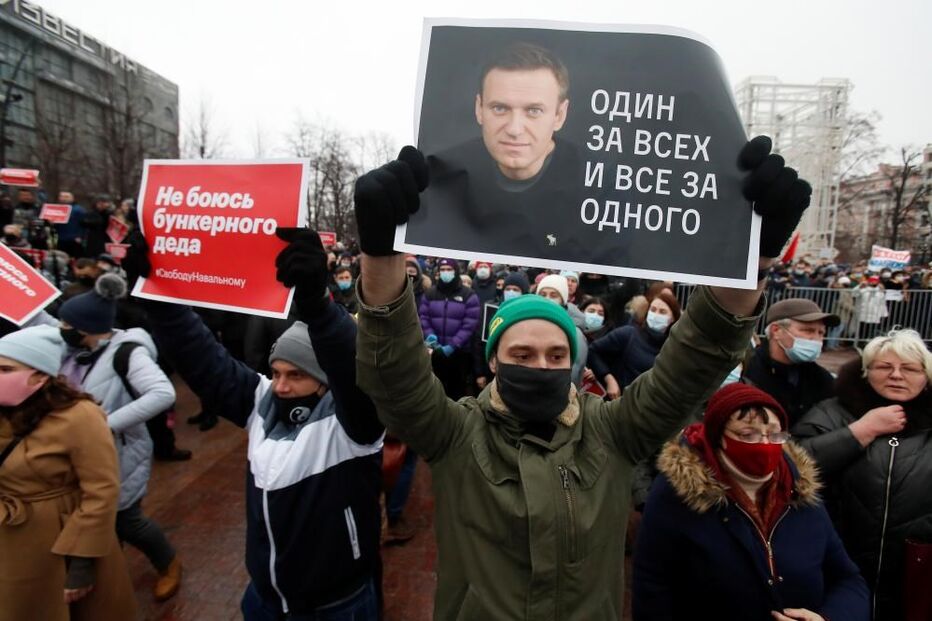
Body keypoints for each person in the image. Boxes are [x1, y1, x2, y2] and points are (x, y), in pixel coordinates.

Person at [350, 134, 811, 618]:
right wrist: (381, 256)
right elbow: (395, 377)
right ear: (492, 361)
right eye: (522, 355)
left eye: (555, 355)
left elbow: (693, 363)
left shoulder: (613, 432)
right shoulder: (456, 435)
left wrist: (749, 259)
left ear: (573, 361)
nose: (541, 367)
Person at [127, 229, 385, 619]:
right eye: (276, 372)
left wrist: (316, 303)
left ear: (324, 380)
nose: (280, 386)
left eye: (295, 376)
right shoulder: (261, 400)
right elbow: (205, 361)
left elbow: (351, 368)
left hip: (336, 606)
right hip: (262, 600)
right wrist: (159, 298)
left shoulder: (353, 424)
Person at [633, 382, 869, 620]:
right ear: (718, 438)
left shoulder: (799, 491)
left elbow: (848, 581)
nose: (765, 444)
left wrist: (827, 618)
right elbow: (652, 589)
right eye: (748, 434)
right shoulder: (676, 495)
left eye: (775, 434)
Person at [57, 274, 183, 601]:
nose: (62, 328)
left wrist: (104, 425)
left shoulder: (127, 353)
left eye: (67, 323)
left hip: (120, 450)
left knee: (127, 519)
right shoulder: (74, 351)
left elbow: (162, 393)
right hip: (83, 451)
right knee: (101, 517)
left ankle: (168, 562)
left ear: (87, 327)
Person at [793, 329, 932, 621]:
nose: (896, 375)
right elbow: (793, 466)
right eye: (884, 366)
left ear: (926, 376)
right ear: (866, 372)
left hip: (917, 574)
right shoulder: (832, 412)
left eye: (909, 368)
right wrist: (860, 432)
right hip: (839, 565)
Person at [0, 326, 136, 621]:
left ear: (38, 376)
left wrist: (82, 563)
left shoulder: (79, 416)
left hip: (63, 541)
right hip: (12, 539)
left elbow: (101, 491)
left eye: (5, 369)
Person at [403, 42, 588, 258]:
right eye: (499, 108)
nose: (514, 129)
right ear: (479, 109)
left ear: (559, 115)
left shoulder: (599, 185)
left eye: (534, 111)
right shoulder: (438, 178)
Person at [743, 298, 838, 427]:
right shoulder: (746, 371)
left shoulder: (821, 378)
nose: (816, 339)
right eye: (808, 330)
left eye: (821, 333)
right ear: (776, 331)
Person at [588, 289, 681, 400]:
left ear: (673, 318)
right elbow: (593, 350)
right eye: (653, 309)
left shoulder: (674, 349)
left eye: (662, 312)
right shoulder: (628, 334)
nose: (656, 315)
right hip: (619, 404)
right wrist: (608, 378)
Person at [418, 258, 481, 399]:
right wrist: (430, 336)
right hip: (436, 351)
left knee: (457, 390)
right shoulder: (430, 293)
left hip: (459, 353)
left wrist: (453, 345)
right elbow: (423, 317)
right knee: (435, 389)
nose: (446, 272)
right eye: (443, 270)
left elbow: (470, 323)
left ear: (456, 271)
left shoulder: (468, 295)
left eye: (449, 269)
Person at [536, 273, 589, 386]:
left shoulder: (575, 333)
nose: (547, 299)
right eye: (543, 294)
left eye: (553, 295)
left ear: (562, 300)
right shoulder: (531, 323)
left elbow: (574, 371)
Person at [54, 191, 86, 258]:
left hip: (74, 239)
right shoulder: (56, 209)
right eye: (62, 196)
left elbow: (85, 225)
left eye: (66, 197)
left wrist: (80, 236)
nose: (64, 198)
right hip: (61, 238)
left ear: (72, 198)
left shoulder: (79, 210)